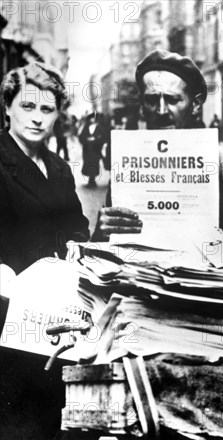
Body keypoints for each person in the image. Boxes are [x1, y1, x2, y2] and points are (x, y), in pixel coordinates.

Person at [0, 62, 90, 439]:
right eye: (28, 106)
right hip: (8, 310)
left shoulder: (57, 167)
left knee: (51, 411)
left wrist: (75, 242)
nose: (37, 119)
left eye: (47, 109)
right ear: (7, 108)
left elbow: (77, 224)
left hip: (55, 311)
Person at [94, 49, 223, 240]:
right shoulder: (127, 169)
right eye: (152, 100)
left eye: (172, 99)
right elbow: (105, 258)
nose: (161, 111)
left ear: (195, 105)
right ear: (142, 106)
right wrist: (101, 234)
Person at [78, 111, 108, 186]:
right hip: (87, 149)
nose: (92, 120)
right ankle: (90, 178)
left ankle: (93, 178)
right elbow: (81, 137)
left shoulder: (100, 128)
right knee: (88, 163)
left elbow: (103, 138)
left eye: (94, 118)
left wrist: (95, 139)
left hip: (95, 149)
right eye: (91, 118)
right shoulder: (86, 127)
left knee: (94, 163)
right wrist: (87, 139)